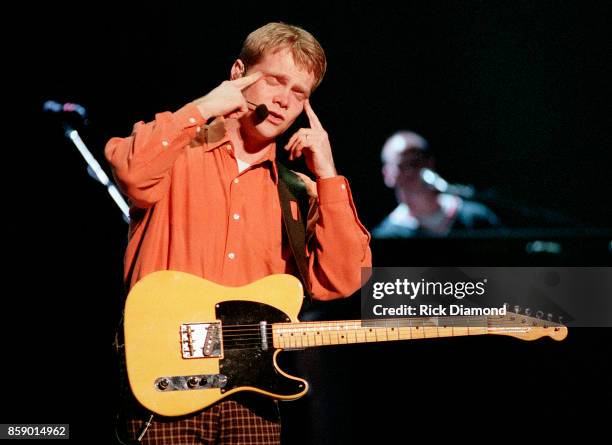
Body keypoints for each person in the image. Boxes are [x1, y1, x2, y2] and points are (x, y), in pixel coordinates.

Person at [105, 22, 372, 445]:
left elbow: (340, 279)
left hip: (252, 393)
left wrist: (327, 174)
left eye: (300, 92)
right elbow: (131, 172)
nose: (285, 100)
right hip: (166, 383)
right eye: (275, 81)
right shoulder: (178, 154)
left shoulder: (298, 191)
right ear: (238, 73)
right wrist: (205, 107)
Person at [372, 131, 500, 238]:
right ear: (387, 174)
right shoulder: (387, 236)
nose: (411, 172)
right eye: (402, 166)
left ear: (430, 164)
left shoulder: (477, 219)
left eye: (415, 163)